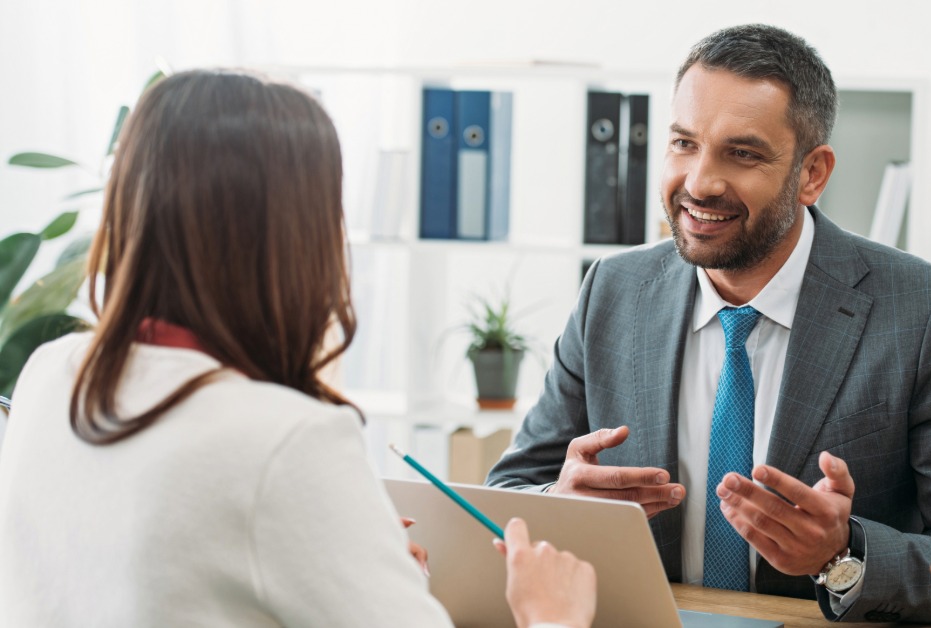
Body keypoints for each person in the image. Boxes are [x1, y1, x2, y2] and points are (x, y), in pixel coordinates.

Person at [0, 69, 595, 628]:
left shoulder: (50, 375)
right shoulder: (284, 438)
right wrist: (550, 612)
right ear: (296, 240)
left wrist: (354, 559)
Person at [488, 23, 931, 623]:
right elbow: (506, 495)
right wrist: (559, 503)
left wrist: (843, 554)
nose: (699, 183)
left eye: (741, 153)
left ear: (812, 174)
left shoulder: (925, 310)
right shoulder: (611, 292)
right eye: (683, 144)